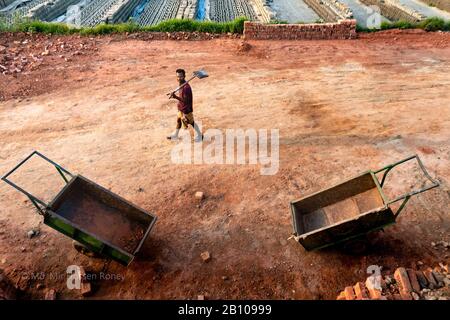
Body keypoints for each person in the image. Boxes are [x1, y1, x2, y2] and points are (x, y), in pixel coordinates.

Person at [167, 69, 203, 142]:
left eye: (181, 76)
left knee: (191, 122)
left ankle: (200, 135)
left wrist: (175, 97)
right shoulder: (181, 84)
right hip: (181, 107)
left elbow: (186, 101)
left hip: (186, 109)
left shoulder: (186, 88)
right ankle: (175, 135)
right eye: (177, 76)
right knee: (179, 120)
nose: (179, 78)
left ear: (184, 76)